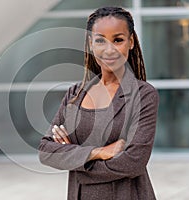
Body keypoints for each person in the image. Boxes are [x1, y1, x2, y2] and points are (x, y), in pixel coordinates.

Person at [38, 6, 159, 200]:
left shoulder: (143, 95)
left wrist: (75, 159)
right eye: (100, 40)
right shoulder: (75, 94)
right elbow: (46, 151)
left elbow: (134, 162)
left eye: (118, 40)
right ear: (90, 43)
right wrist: (98, 152)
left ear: (131, 42)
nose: (109, 49)